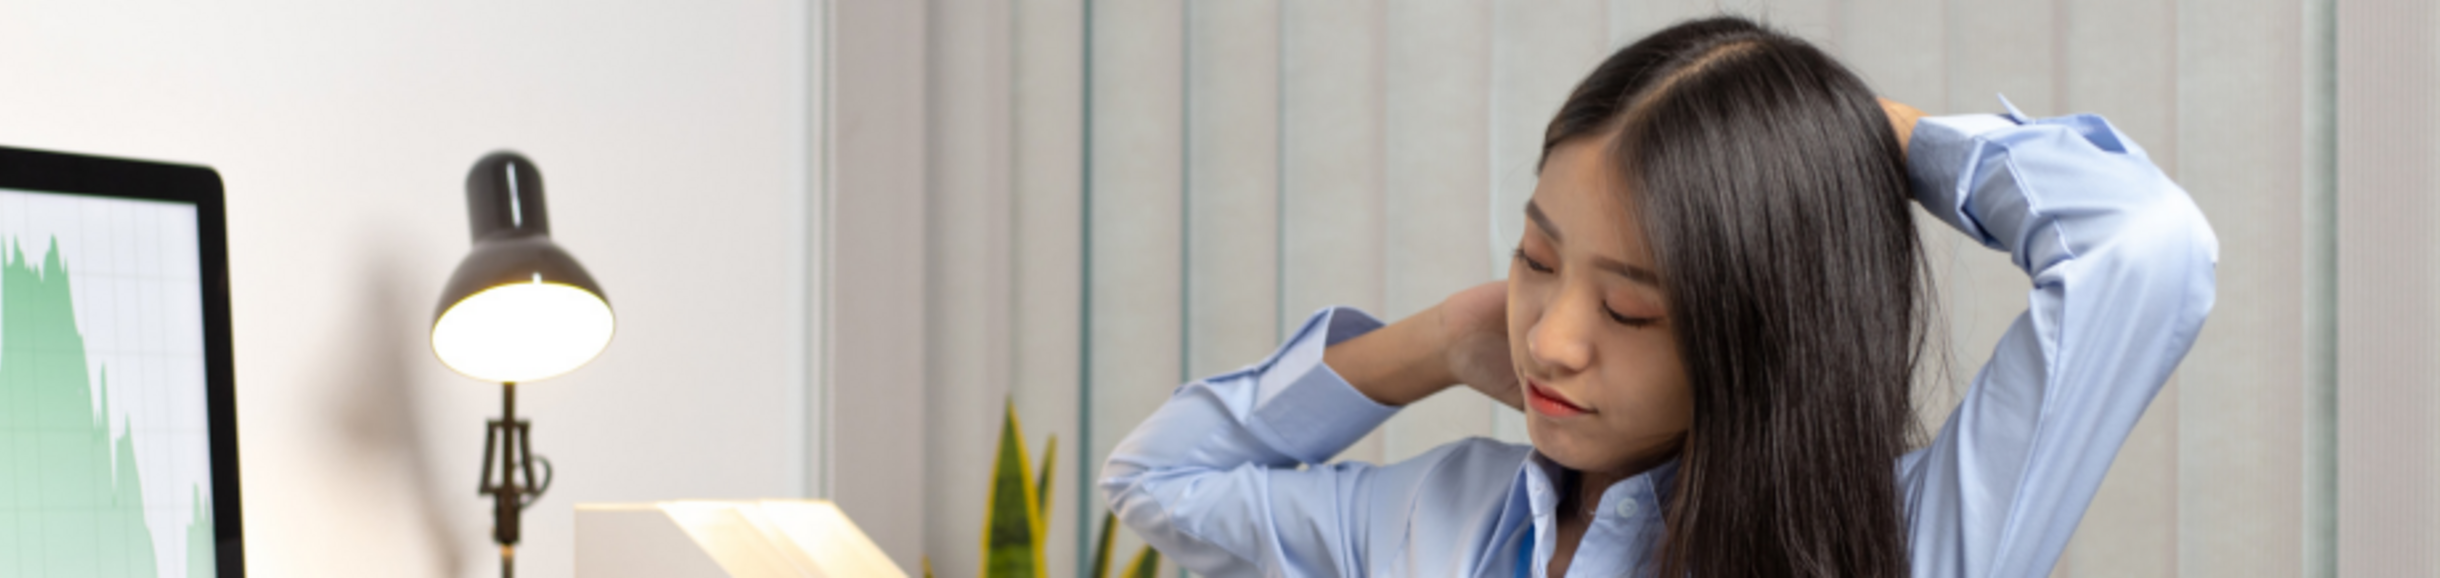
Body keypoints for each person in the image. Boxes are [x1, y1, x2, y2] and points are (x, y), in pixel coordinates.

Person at [1098, 16, 2215, 578]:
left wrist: (1838, 133)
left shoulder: (1914, 541)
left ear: (1767, 327)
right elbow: (1157, 478)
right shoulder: (1437, 519)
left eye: (1631, 309)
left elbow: (2144, 244)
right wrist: (1436, 341)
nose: (1554, 337)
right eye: (1537, 258)